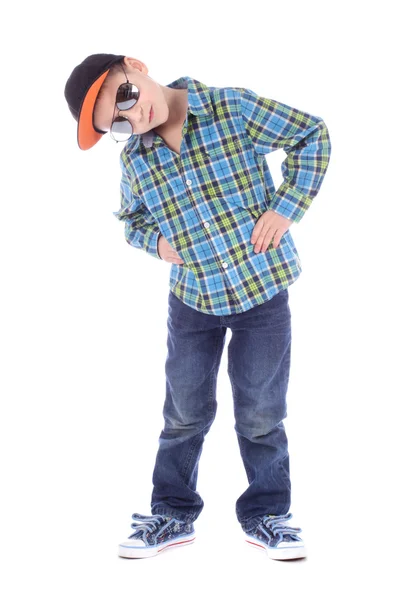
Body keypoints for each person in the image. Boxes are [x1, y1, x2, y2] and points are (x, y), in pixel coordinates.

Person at [64, 53, 331, 561]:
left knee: (261, 412)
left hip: (262, 292)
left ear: (135, 66)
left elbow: (311, 134)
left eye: (125, 96)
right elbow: (132, 219)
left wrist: (286, 207)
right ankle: (171, 513)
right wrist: (157, 244)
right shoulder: (136, 161)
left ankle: (268, 514)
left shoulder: (230, 108)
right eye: (117, 122)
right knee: (183, 413)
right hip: (193, 301)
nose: (132, 116)